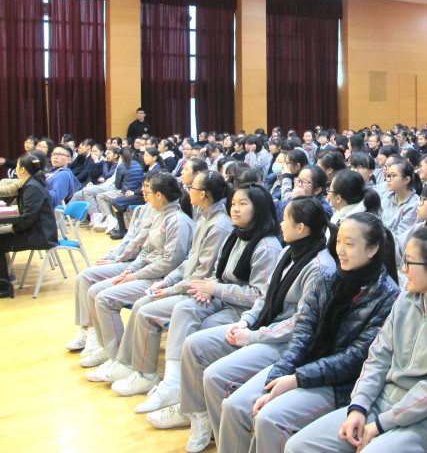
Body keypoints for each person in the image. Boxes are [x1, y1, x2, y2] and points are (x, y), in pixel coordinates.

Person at [286, 228, 427, 453]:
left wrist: (382, 424)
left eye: (410, 263)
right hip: (381, 404)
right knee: (299, 446)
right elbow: (378, 357)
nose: (403, 269)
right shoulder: (405, 300)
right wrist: (359, 407)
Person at [213, 213, 400, 453]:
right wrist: (277, 379)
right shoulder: (327, 280)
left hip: (340, 383)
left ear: (373, 249)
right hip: (306, 364)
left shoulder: (388, 297)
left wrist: (296, 379)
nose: (340, 250)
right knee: (235, 406)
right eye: (339, 241)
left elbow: (354, 359)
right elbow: (302, 335)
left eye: (349, 244)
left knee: (268, 419)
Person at [173, 196, 336, 451]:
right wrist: (246, 321)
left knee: (216, 376)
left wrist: (252, 336)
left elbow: (300, 324)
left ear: (301, 228)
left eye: (286, 220)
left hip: (284, 343)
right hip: (261, 326)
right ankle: (202, 418)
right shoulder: (289, 251)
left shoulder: (320, 267)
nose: (281, 224)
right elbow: (266, 296)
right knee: (194, 344)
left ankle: (230, 440)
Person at [134, 183, 283, 424]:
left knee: (200, 332)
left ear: (259, 208)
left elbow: (260, 296)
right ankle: (173, 383)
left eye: (243, 204)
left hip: (244, 311)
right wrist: (207, 288)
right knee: (184, 308)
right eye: (233, 203)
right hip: (222, 298)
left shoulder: (267, 245)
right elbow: (216, 273)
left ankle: (194, 407)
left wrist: (215, 289)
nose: (235, 209)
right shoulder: (235, 235)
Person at [104, 171, 234, 399]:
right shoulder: (204, 217)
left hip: (201, 291)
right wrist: (167, 281)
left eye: (192, 188)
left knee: (146, 311)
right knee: (142, 303)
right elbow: (187, 262)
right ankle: (128, 364)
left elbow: (203, 273)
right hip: (185, 284)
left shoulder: (219, 225)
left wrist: (170, 289)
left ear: (203, 194)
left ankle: (147, 374)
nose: (188, 191)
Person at [80, 173, 195, 369]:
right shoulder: (160, 215)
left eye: (148, 189)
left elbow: (171, 262)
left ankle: (118, 358)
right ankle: (107, 349)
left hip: (160, 279)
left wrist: (136, 275)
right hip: (146, 272)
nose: (144, 192)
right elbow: (146, 251)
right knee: (94, 291)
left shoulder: (178, 221)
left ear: (159, 195)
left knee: (105, 299)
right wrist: (130, 270)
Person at [66, 178, 156, 356]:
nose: (143, 191)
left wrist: (116, 260)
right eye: (143, 186)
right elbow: (129, 238)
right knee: (83, 277)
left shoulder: (164, 215)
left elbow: (140, 245)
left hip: (135, 263)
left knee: (88, 279)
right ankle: (88, 330)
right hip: (128, 260)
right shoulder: (145, 208)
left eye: (148, 187)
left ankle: (96, 336)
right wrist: (112, 255)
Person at [0, 154, 59, 300]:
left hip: (40, 235)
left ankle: (3, 288)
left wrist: (14, 229)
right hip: (36, 231)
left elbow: (28, 217)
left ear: (22, 169)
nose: (15, 169)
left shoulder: (32, 186)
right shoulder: (30, 182)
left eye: (16, 166)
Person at [380, 158, 420, 241]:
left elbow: (402, 239)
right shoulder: (386, 200)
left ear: (406, 180)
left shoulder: (415, 205)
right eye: (388, 176)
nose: (388, 180)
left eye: (393, 176)